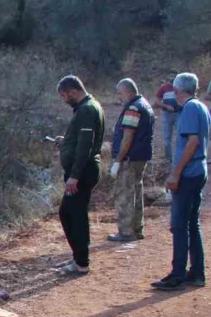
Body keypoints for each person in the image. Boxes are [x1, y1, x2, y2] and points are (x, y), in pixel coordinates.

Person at [152, 73, 209, 291]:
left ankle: (177, 275)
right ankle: (196, 273)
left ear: (177, 91)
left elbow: (192, 142)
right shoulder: (201, 106)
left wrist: (175, 173)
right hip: (198, 169)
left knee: (179, 225)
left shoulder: (189, 109)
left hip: (189, 173)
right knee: (191, 223)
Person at [54, 75, 104, 276]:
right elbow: (82, 139)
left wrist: (74, 176)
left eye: (65, 95)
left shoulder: (87, 109)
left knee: (74, 214)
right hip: (82, 169)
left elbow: (86, 145)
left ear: (73, 92)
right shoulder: (88, 107)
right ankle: (78, 257)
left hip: (83, 171)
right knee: (70, 213)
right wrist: (66, 141)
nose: (64, 100)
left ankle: (81, 262)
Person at [107, 78, 155, 243]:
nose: (118, 97)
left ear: (128, 91)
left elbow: (127, 137)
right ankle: (137, 229)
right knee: (136, 191)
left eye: (119, 93)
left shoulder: (133, 108)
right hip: (141, 157)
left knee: (125, 193)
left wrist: (118, 160)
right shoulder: (145, 104)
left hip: (129, 158)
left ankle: (126, 232)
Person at [154, 78, 181, 163]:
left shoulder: (180, 87)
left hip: (178, 113)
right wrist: (166, 106)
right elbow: (157, 102)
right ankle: (168, 159)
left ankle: (180, 158)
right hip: (167, 114)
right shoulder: (164, 88)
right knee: (167, 137)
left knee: (181, 135)